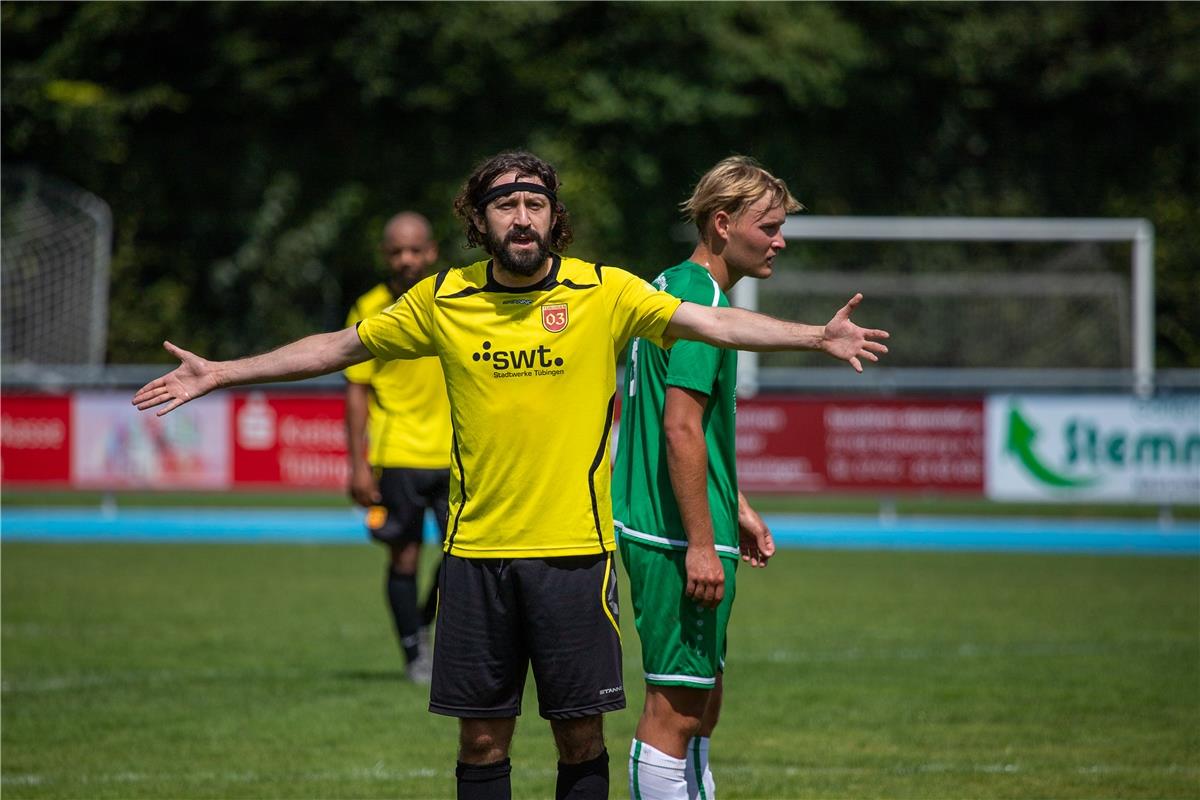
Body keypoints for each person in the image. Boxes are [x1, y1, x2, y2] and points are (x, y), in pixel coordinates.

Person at [131, 150, 889, 800]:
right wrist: (223, 371)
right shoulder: (443, 299)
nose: (520, 217)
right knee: (483, 747)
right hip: (475, 558)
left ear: (553, 218)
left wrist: (813, 336)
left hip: (574, 557)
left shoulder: (606, 291)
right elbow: (338, 347)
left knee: (580, 742)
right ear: (479, 220)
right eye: (505, 205)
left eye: (534, 203)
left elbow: (717, 323)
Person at [612, 156, 801, 800]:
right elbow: (679, 428)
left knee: (702, 699)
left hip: (672, 519)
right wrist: (699, 539)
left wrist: (735, 503)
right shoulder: (702, 302)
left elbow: (670, 422)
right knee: (675, 710)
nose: (780, 240)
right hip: (671, 532)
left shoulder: (666, 285)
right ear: (723, 224)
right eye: (769, 226)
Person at [344, 211, 451, 684]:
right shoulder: (367, 308)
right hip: (399, 454)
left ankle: (426, 626)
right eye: (396, 251)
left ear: (431, 251)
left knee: (465, 560)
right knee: (404, 557)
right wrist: (359, 466)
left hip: (458, 455)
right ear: (386, 255)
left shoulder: (456, 300)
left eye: (415, 250)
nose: (406, 259)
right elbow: (357, 390)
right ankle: (414, 654)